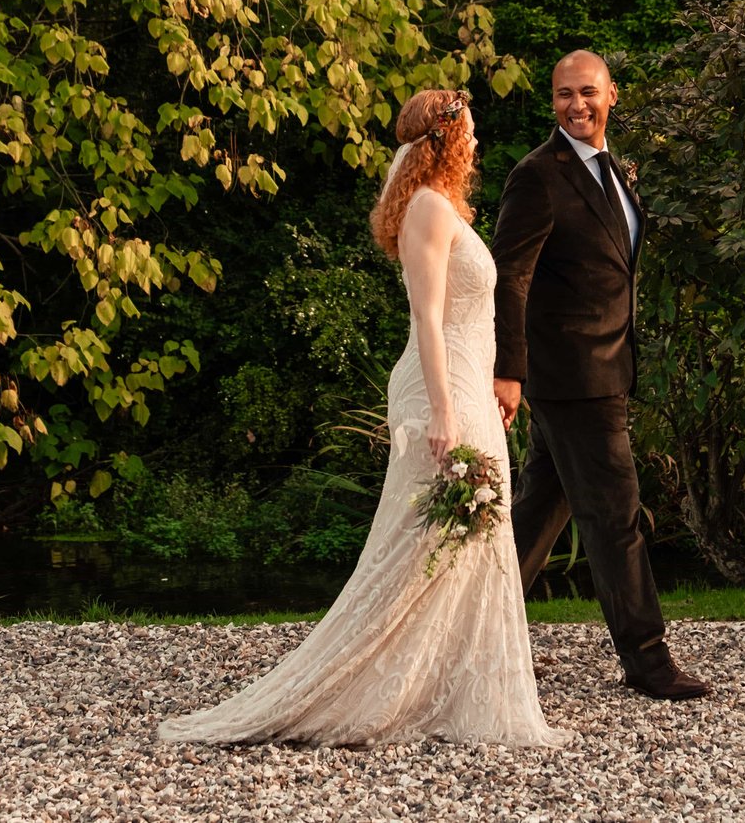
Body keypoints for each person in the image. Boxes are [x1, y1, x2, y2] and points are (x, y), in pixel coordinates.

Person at [157, 89, 569, 748]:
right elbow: (428, 319)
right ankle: (350, 690)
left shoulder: (445, 207)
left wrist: (488, 384)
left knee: (468, 544)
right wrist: (442, 409)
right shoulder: (429, 210)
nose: (480, 145)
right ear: (449, 140)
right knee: (418, 546)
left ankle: (457, 689)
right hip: (441, 389)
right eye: (472, 133)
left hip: (466, 385)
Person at [491, 50, 711, 701]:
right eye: (564, 94)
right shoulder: (537, 175)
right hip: (571, 374)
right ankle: (648, 658)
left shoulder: (616, 169)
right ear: (552, 100)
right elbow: (510, 276)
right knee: (618, 517)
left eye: (587, 91)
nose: (576, 104)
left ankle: (469, 635)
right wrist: (509, 369)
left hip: (605, 364)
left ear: (612, 92)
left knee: (534, 517)